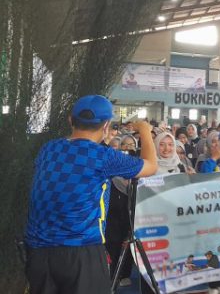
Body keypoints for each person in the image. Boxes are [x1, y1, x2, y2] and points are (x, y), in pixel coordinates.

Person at [24, 95, 158, 294]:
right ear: (106, 126)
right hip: (81, 252)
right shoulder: (104, 156)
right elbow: (151, 166)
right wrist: (145, 132)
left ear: (71, 120)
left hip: (37, 252)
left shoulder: (48, 149)